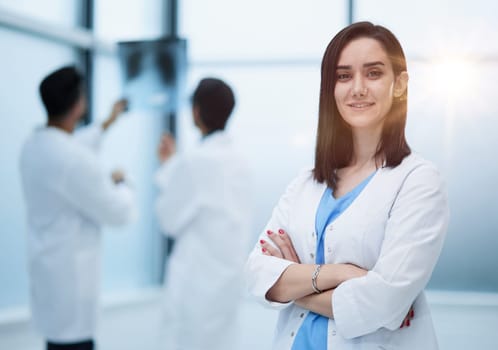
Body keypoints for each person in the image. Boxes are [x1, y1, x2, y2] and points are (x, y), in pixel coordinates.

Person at [245, 22, 449, 350]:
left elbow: (383, 302)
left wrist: (294, 284)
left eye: (373, 73)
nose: (357, 88)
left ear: (400, 84)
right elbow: (257, 274)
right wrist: (340, 273)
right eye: (343, 76)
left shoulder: (418, 181)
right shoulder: (305, 183)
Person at [19, 66, 136, 350]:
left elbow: (71, 147)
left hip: (48, 277)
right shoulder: (73, 160)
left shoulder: (33, 146)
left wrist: (108, 121)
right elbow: (119, 213)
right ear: (78, 104)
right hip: (72, 289)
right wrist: (123, 184)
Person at [155, 78, 252, 350]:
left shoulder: (195, 161)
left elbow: (168, 220)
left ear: (196, 111)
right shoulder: (240, 161)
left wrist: (167, 167)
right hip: (228, 282)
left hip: (194, 284)